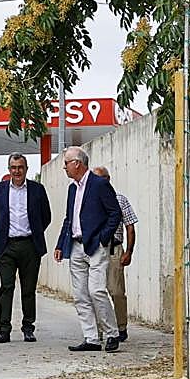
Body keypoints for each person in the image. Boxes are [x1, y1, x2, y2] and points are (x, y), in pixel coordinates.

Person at [54, 146, 122, 352]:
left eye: (66, 163)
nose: (64, 167)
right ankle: (91, 338)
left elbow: (115, 214)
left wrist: (103, 238)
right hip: (75, 246)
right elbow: (69, 218)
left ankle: (112, 333)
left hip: (95, 245)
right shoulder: (72, 188)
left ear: (77, 163)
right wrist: (60, 244)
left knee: (97, 290)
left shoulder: (99, 184)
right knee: (80, 295)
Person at [0, 153, 52, 343]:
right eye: (13, 168)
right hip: (7, 246)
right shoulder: (0, 190)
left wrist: (34, 232)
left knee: (28, 289)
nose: (17, 171)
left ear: (26, 169)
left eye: (20, 167)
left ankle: (28, 327)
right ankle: (4, 329)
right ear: (9, 170)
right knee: (6, 287)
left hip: (29, 245)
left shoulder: (37, 189)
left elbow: (46, 216)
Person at [92, 166, 137, 343]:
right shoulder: (89, 200)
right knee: (95, 291)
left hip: (114, 248)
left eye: (102, 179)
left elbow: (130, 225)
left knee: (116, 290)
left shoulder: (119, 199)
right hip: (95, 249)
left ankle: (121, 326)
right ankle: (100, 329)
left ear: (108, 180)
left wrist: (129, 251)